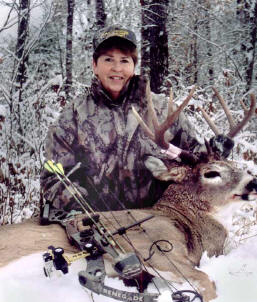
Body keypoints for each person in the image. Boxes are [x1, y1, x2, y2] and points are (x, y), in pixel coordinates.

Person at [40, 25, 233, 214]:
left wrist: (215, 152)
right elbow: (53, 176)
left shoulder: (161, 109)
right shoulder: (73, 115)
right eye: (108, 59)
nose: (117, 68)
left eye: (124, 61)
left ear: (134, 66)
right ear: (95, 65)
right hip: (96, 224)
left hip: (157, 220)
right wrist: (85, 206)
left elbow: (196, 160)